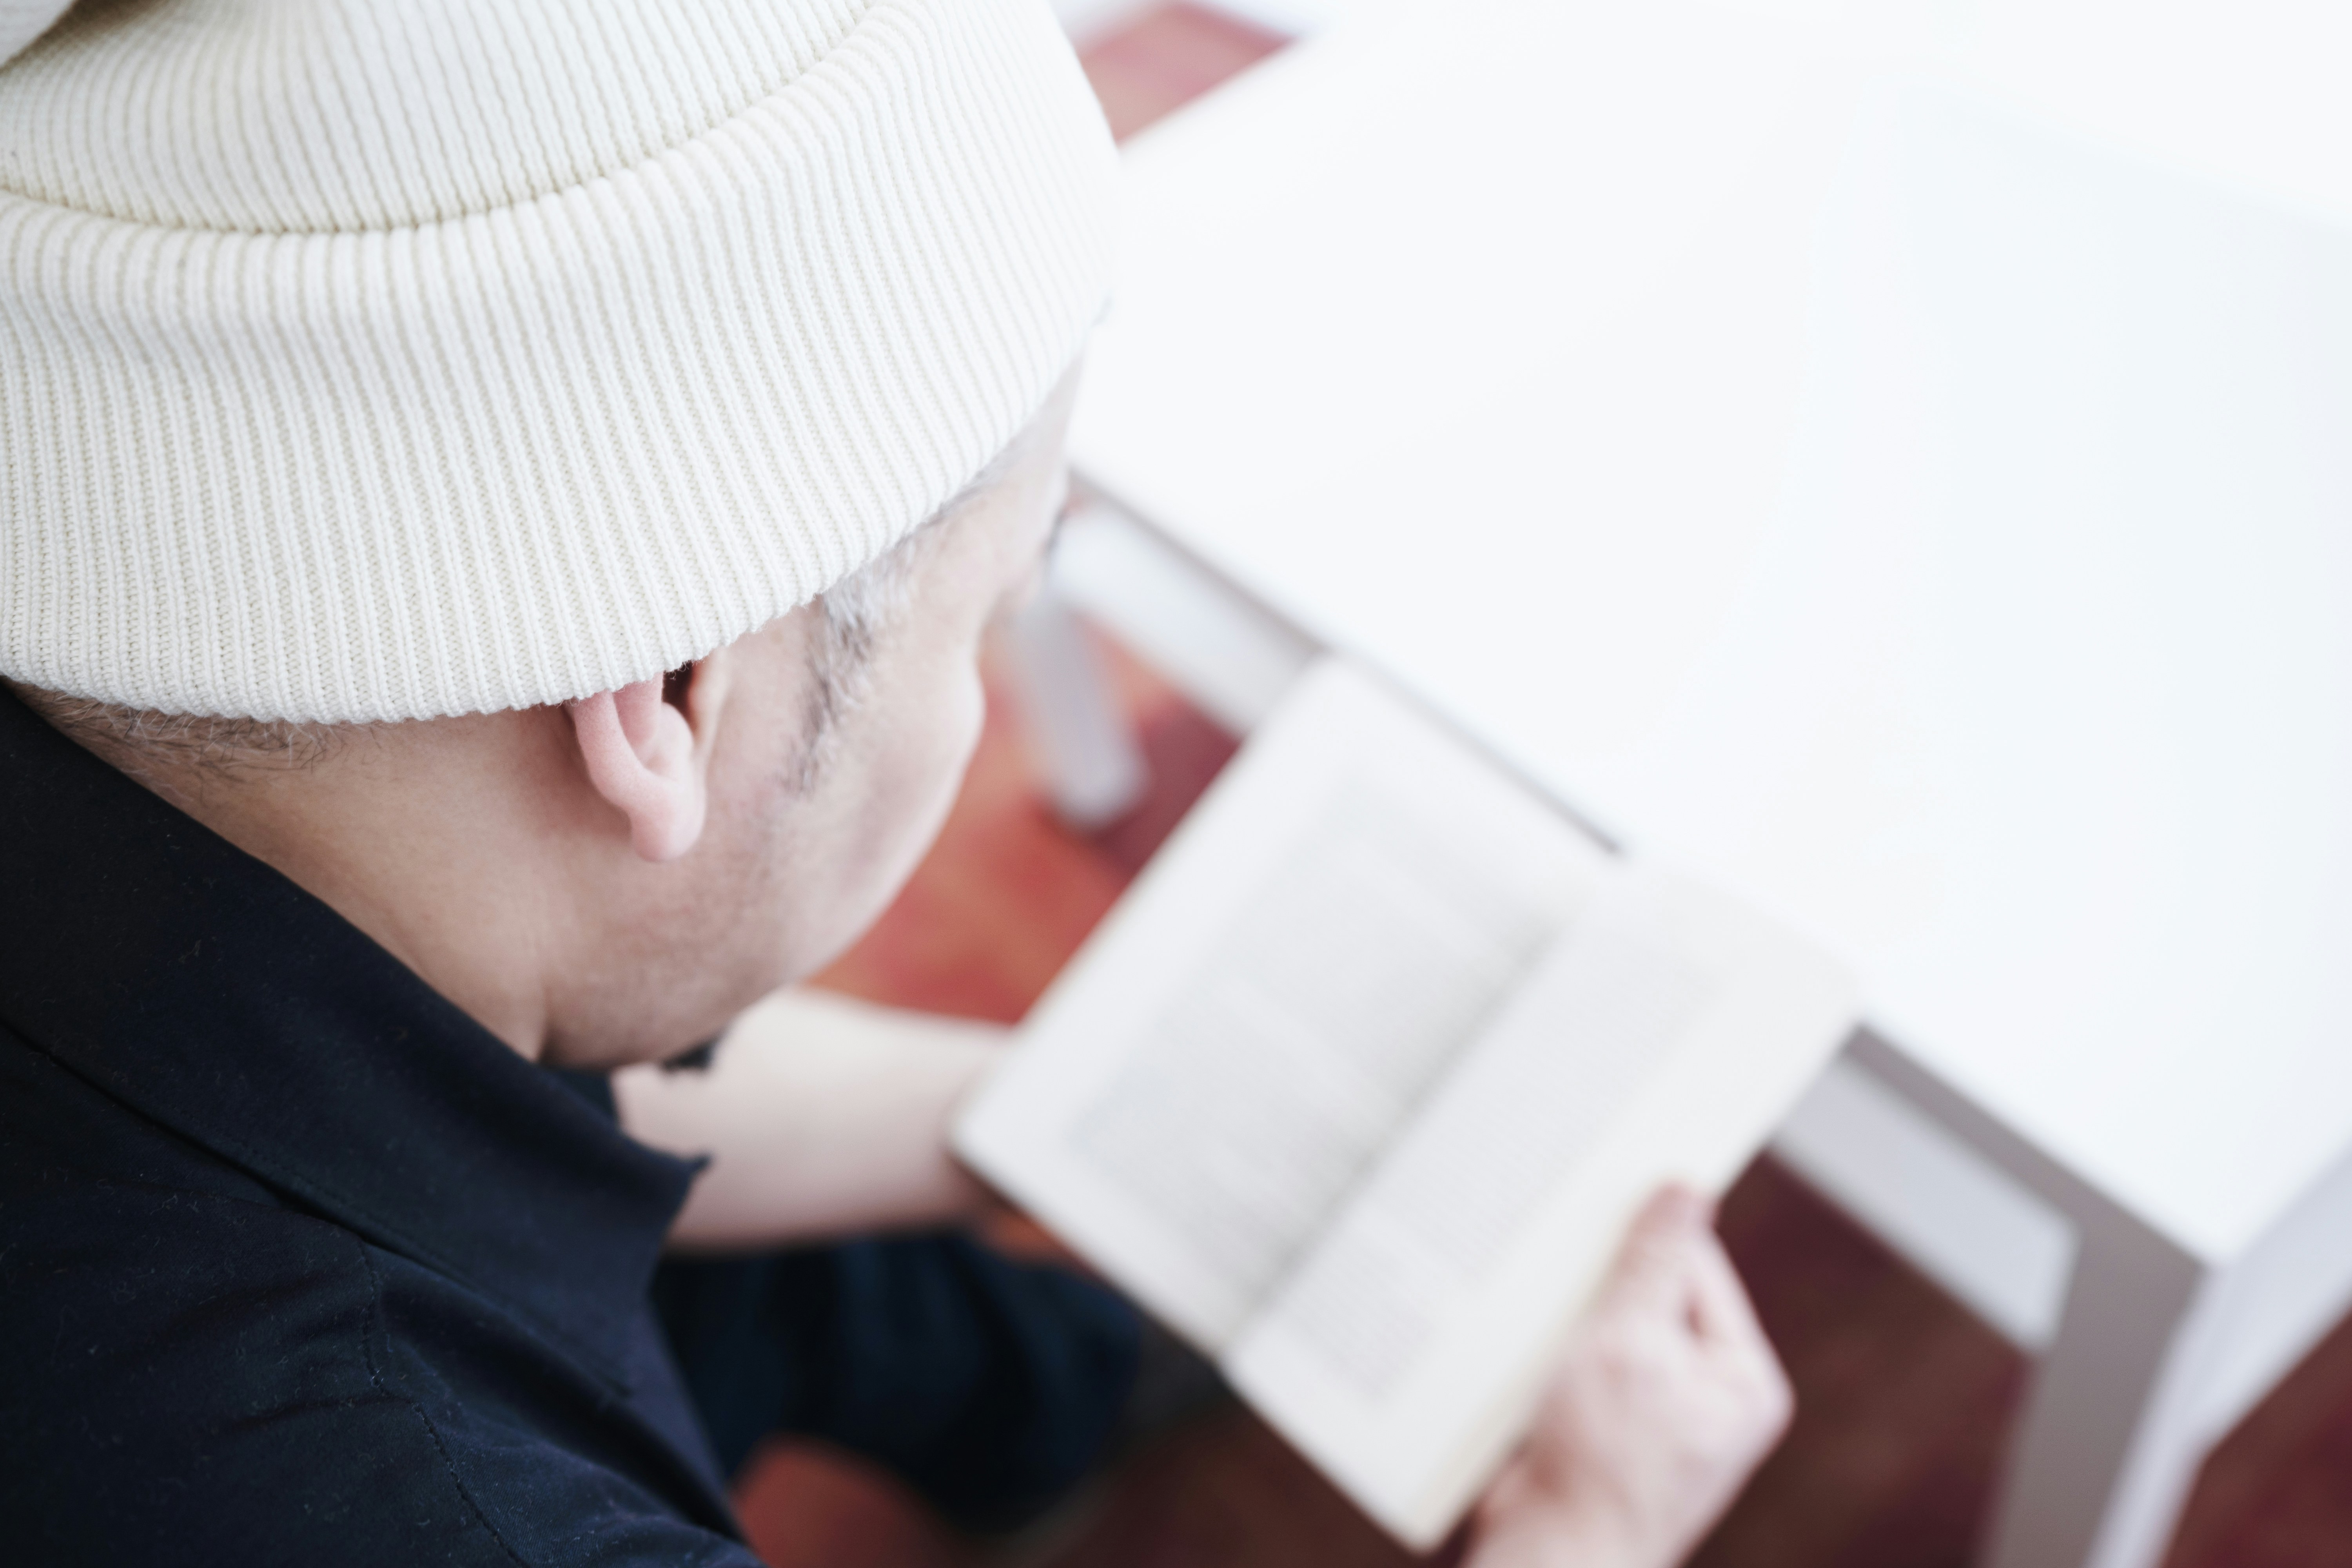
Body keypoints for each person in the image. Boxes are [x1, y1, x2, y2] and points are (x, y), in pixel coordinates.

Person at [0, 1, 1791, 1564]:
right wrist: (1592, 1526)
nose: (986, 679)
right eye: (995, 615)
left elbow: (547, 1095)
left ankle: (1037, 1403)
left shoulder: (205, 786)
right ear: (679, 696)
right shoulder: (430, 1506)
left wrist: (1081, 1118)